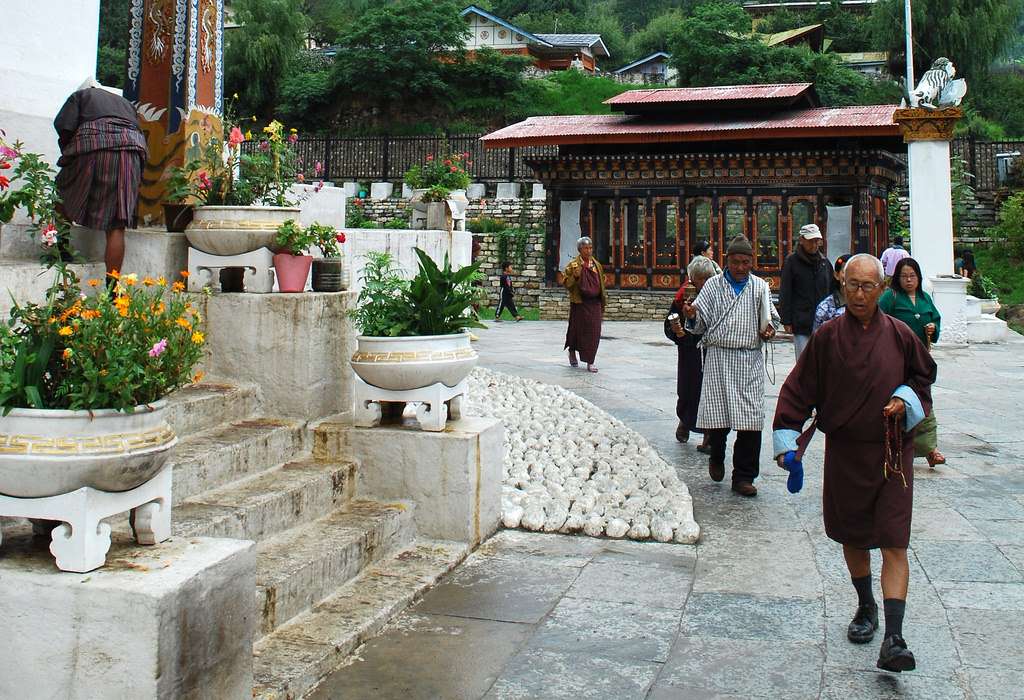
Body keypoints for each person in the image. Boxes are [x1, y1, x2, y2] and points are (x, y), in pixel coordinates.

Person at [772, 253, 936, 674]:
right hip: (845, 452)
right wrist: (787, 437)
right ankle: (865, 605)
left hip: (891, 454)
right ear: (842, 285)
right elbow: (799, 389)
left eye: (868, 287)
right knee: (854, 536)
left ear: (882, 290)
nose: (859, 294)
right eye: (851, 285)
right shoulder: (827, 338)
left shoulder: (901, 335)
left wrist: (905, 398)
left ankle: (895, 637)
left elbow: (923, 377)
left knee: (895, 539)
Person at [680, 235, 780, 497]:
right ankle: (717, 455)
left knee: (751, 420)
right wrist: (692, 315)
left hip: (749, 359)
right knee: (718, 416)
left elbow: (772, 319)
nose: (740, 267)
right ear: (727, 261)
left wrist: (769, 330)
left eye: (745, 262)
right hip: (719, 357)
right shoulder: (713, 286)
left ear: (751, 262)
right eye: (735, 262)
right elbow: (699, 323)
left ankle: (744, 476)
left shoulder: (760, 287)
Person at [53, 78, 147, 278]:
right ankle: (112, 291)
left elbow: (64, 127)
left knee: (63, 188)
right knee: (116, 225)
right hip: (132, 151)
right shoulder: (125, 103)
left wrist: (69, 156)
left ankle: (60, 246)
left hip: (93, 144)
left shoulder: (81, 95)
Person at [879, 257, 945, 468]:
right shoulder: (891, 297)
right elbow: (878, 320)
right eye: (904, 276)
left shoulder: (925, 298)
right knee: (900, 401)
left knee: (923, 400)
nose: (909, 280)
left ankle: (930, 448)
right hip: (897, 359)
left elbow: (936, 318)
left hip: (920, 359)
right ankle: (898, 446)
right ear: (897, 278)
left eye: (912, 276)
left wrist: (932, 327)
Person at [665, 255, 718, 450]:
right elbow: (669, 323)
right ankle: (685, 421)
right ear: (692, 278)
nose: (703, 283)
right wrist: (678, 333)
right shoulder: (682, 297)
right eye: (700, 279)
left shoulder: (716, 295)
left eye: (707, 278)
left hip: (711, 352)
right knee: (688, 391)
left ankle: (708, 436)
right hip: (690, 353)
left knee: (710, 394)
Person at [779, 223, 832, 357]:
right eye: (810, 241)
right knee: (804, 361)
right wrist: (786, 320)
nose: (814, 245)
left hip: (824, 322)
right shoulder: (791, 262)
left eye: (816, 241)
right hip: (801, 321)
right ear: (802, 240)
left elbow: (831, 291)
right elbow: (786, 291)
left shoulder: (824, 263)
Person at [563, 236, 607, 373]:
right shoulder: (573, 265)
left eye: (590, 248)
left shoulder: (597, 265)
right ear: (579, 250)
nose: (589, 251)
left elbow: (601, 282)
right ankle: (572, 351)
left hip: (595, 303)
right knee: (577, 330)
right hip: (580, 303)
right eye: (586, 248)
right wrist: (575, 277)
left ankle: (590, 361)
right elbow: (567, 284)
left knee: (594, 331)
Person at [813, 254, 851, 332]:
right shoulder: (825, 308)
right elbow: (818, 340)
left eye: (854, 271)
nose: (850, 276)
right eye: (845, 271)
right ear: (836, 275)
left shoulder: (866, 304)